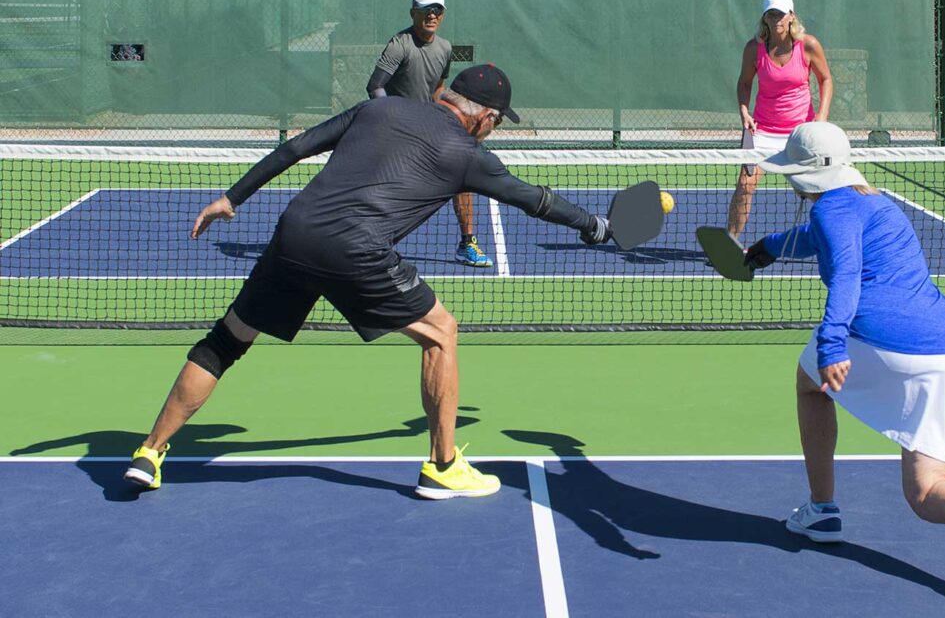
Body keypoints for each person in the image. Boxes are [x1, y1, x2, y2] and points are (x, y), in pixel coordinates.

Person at [123, 64, 613, 499]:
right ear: (484, 117)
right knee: (441, 332)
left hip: (295, 233)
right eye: (498, 123)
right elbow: (537, 201)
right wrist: (595, 226)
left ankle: (149, 452)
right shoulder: (468, 152)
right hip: (357, 250)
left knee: (226, 341)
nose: (494, 131)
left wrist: (232, 198)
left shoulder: (376, 110)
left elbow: (296, 147)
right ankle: (443, 467)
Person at [743, 121, 945, 585]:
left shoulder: (830, 212)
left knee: (809, 386)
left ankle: (821, 509)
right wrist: (768, 247)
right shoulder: (877, 205)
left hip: (878, 337)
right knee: (927, 490)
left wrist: (833, 344)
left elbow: (847, 272)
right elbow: (817, 240)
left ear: (806, 174)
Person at [366, 0, 493, 268]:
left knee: (462, 174)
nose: (432, 15)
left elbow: (438, 89)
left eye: (437, 10)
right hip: (397, 130)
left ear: (443, 15)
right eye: (425, 10)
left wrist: (460, 115)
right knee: (389, 190)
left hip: (429, 126)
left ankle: (467, 243)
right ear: (414, 13)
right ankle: (373, 245)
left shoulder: (445, 48)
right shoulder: (399, 44)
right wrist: (394, 119)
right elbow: (375, 86)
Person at [727, 0, 833, 238]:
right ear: (765, 18)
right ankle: (730, 243)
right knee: (745, 184)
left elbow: (825, 79)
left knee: (822, 190)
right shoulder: (754, 49)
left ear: (791, 16)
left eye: (780, 14)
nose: (776, 19)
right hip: (762, 131)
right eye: (771, 14)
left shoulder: (808, 45)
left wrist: (822, 117)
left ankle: (833, 239)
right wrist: (744, 111)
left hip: (801, 133)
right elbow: (744, 83)